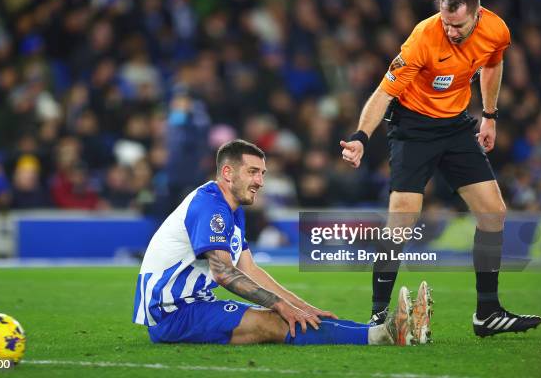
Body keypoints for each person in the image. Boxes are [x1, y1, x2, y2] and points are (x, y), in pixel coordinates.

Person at [340, 0, 541, 337]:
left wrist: (490, 115)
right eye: (445, 22)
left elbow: (492, 65)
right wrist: (360, 136)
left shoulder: (497, 30)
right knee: (402, 217)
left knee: (493, 212)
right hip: (413, 128)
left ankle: (487, 313)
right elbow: (385, 92)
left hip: (455, 127)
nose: (449, 30)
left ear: (477, 15)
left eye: (458, 25)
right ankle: (377, 316)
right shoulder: (423, 37)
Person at [133, 139, 431, 345]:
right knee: (277, 322)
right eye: (252, 172)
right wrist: (282, 307)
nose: (260, 181)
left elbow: (250, 269)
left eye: (262, 173)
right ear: (227, 172)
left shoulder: (232, 208)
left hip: (195, 305)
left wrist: (302, 305)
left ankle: (383, 330)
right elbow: (224, 273)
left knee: (291, 316)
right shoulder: (209, 205)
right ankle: (384, 334)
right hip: (172, 314)